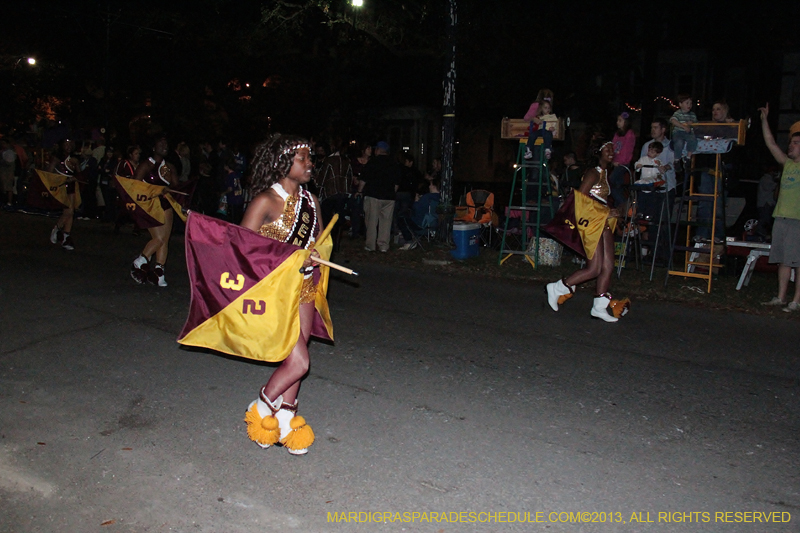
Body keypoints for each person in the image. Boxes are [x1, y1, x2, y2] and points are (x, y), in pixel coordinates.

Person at [240, 133, 324, 455]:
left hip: (303, 288)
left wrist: (313, 255)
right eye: (302, 159)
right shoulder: (264, 202)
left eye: (309, 158)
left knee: (298, 352)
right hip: (273, 292)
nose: (309, 164)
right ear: (282, 163)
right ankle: (261, 407)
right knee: (300, 361)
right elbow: (241, 252)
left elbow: (315, 243)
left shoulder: (311, 202)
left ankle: (286, 420)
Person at [545, 141, 621, 322]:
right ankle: (559, 287)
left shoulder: (604, 173)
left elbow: (600, 199)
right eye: (607, 149)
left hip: (603, 222)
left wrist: (613, 211)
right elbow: (581, 199)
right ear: (598, 152)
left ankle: (599, 307)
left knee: (608, 266)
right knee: (594, 269)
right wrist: (606, 211)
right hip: (593, 223)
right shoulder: (593, 172)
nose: (611, 152)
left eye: (612, 149)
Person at [757, 103, 800, 312]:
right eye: (791, 143)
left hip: (798, 219)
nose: (790, 146)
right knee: (783, 260)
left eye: (796, 143)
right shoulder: (787, 164)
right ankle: (781, 297)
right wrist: (765, 120)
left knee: (798, 261)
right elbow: (770, 143)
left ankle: (796, 300)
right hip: (781, 217)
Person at [129, 134, 178, 287]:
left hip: (166, 205)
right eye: (161, 143)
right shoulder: (146, 165)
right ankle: (141, 260)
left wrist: (170, 186)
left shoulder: (169, 167)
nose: (165, 146)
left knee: (165, 239)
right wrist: (155, 191)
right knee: (159, 239)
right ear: (153, 147)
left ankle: (158, 273)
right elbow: (135, 187)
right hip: (150, 205)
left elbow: (176, 187)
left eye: (166, 144)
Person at [694, 100, 735, 243]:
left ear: (725, 110)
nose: (715, 112)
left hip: (721, 167)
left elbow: (737, 142)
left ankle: (718, 234)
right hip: (706, 167)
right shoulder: (707, 127)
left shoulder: (731, 126)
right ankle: (702, 233)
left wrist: (731, 125)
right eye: (713, 109)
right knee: (705, 201)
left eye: (718, 109)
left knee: (718, 203)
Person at [358, 141, 400, 252]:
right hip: (389, 197)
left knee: (371, 221)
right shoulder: (394, 164)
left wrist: (359, 191)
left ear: (378, 150)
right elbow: (396, 183)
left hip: (374, 195)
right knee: (386, 222)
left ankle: (370, 245)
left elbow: (364, 179)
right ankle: (383, 245)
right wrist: (392, 193)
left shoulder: (373, 162)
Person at [47, 138, 80, 251]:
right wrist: (60, 179)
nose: (68, 146)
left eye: (70, 144)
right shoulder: (57, 158)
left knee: (71, 211)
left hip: (71, 186)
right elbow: (50, 173)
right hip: (60, 187)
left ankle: (66, 236)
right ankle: (57, 229)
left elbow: (79, 174)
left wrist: (75, 177)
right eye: (66, 144)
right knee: (68, 211)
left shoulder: (75, 159)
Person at [399, 178, 441, 250]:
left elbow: (417, 209)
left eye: (430, 185)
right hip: (435, 225)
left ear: (434, 186)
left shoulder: (427, 197)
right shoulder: (441, 199)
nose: (429, 187)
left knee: (402, 217)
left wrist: (416, 201)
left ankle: (409, 241)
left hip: (422, 225)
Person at [608, 112, 636, 208]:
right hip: (616, 163)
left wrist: (620, 162)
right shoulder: (617, 134)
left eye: (620, 120)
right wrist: (611, 159)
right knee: (617, 186)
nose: (617, 123)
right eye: (617, 120)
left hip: (623, 164)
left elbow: (627, 150)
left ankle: (624, 203)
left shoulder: (629, 134)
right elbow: (612, 146)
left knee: (610, 182)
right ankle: (619, 208)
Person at [524, 96, 557, 161]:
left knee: (548, 135)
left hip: (547, 130)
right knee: (532, 135)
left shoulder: (552, 116)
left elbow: (555, 124)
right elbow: (528, 118)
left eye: (548, 108)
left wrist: (553, 129)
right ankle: (529, 150)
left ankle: (547, 149)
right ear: (541, 109)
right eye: (545, 108)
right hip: (540, 130)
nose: (547, 109)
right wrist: (535, 120)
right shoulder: (539, 117)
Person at [670, 94, 698, 162]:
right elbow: (673, 120)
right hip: (678, 132)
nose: (689, 105)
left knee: (693, 140)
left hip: (689, 133)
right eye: (687, 103)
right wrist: (683, 126)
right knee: (679, 142)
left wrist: (693, 124)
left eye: (690, 103)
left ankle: (688, 157)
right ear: (680, 104)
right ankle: (677, 159)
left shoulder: (692, 115)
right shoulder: (678, 113)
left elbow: (697, 125)